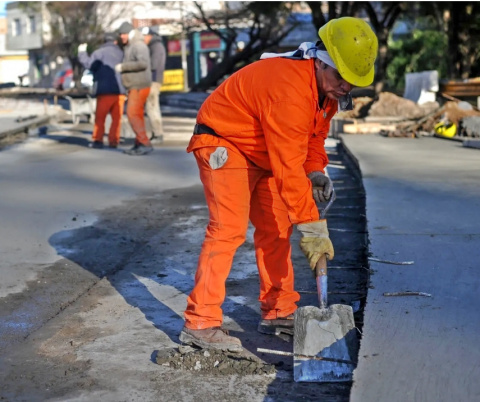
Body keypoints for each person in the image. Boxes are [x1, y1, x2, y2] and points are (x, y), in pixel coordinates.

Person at [179, 17, 378, 352]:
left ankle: (278, 311)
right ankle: (200, 322)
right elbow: (288, 170)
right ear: (320, 61)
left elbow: (314, 138)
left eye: (352, 82)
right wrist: (314, 229)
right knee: (227, 229)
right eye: (341, 77)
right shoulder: (290, 89)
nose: (346, 87)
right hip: (223, 142)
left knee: (277, 227)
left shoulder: (325, 93)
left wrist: (315, 171)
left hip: (262, 150)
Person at [78, 33, 126, 149]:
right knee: (117, 118)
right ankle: (114, 140)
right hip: (120, 91)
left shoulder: (99, 53)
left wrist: (82, 53)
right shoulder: (121, 53)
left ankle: (98, 140)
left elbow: (89, 64)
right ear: (115, 41)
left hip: (104, 91)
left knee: (100, 118)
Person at [115, 21, 153, 156]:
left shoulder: (138, 45)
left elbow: (143, 63)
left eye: (123, 34)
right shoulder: (131, 45)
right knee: (137, 115)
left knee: (132, 113)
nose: (121, 37)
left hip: (139, 85)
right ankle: (139, 143)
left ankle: (144, 143)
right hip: (135, 85)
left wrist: (123, 67)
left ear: (129, 33)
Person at [142, 26, 167, 143]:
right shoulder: (156, 46)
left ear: (150, 36)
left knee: (152, 108)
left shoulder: (156, 47)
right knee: (151, 108)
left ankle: (158, 134)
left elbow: (153, 64)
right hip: (154, 80)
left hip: (153, 81)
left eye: (145, 36)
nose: (143, 38)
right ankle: (156, 133)